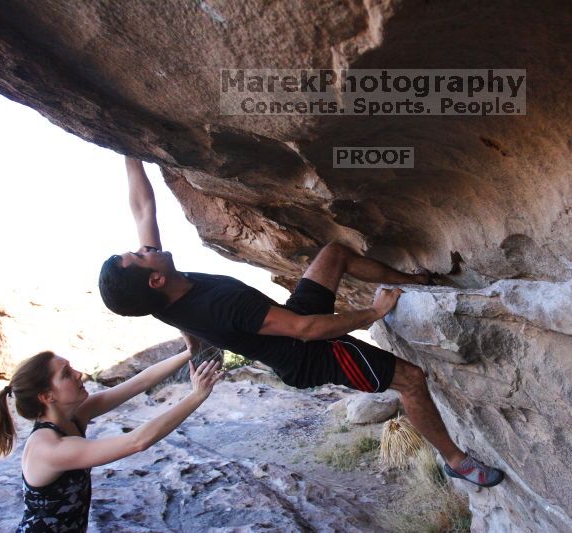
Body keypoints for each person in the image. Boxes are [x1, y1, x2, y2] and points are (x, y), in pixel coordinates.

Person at [98, 156, 504, 488]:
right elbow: (306, 331)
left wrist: (127, 150)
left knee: (334, 253)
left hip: (295, 321)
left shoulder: (158, 293)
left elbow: (142, 208)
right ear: (154, 278)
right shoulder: (219, 306)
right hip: (308, 353)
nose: (143, 247)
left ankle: (416, 282)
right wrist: (373, 313)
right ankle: (455, 461)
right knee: (410, 379)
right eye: (139, 255)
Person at [0, 343, 224, 531]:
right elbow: (137, 441)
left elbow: (138, 383)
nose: (78, 374)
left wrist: (188, 352)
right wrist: (196, 396)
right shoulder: (49, 448)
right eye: (66, 374)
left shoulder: (75, 416)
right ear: (47, 397)